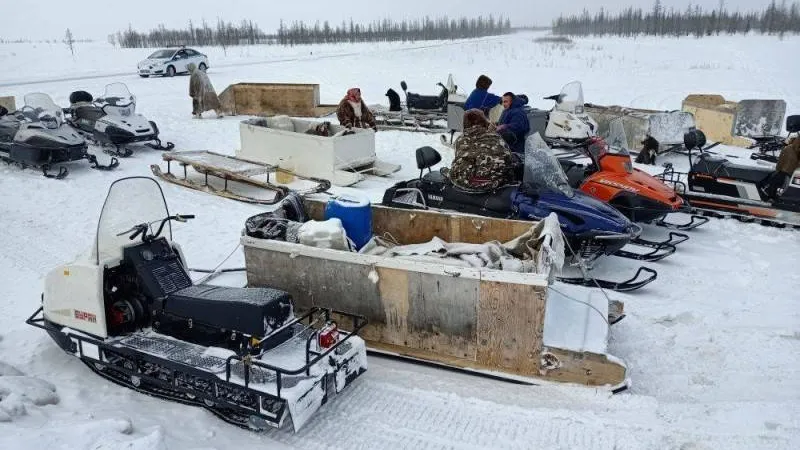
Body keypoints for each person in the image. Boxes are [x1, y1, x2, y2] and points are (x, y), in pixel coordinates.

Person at [449, 108, 514, 192]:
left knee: (454, 173)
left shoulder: (462, 140)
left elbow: (462, 162)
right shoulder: (496, 137)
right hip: (502, 180)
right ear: (484, 121)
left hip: (479, 183)